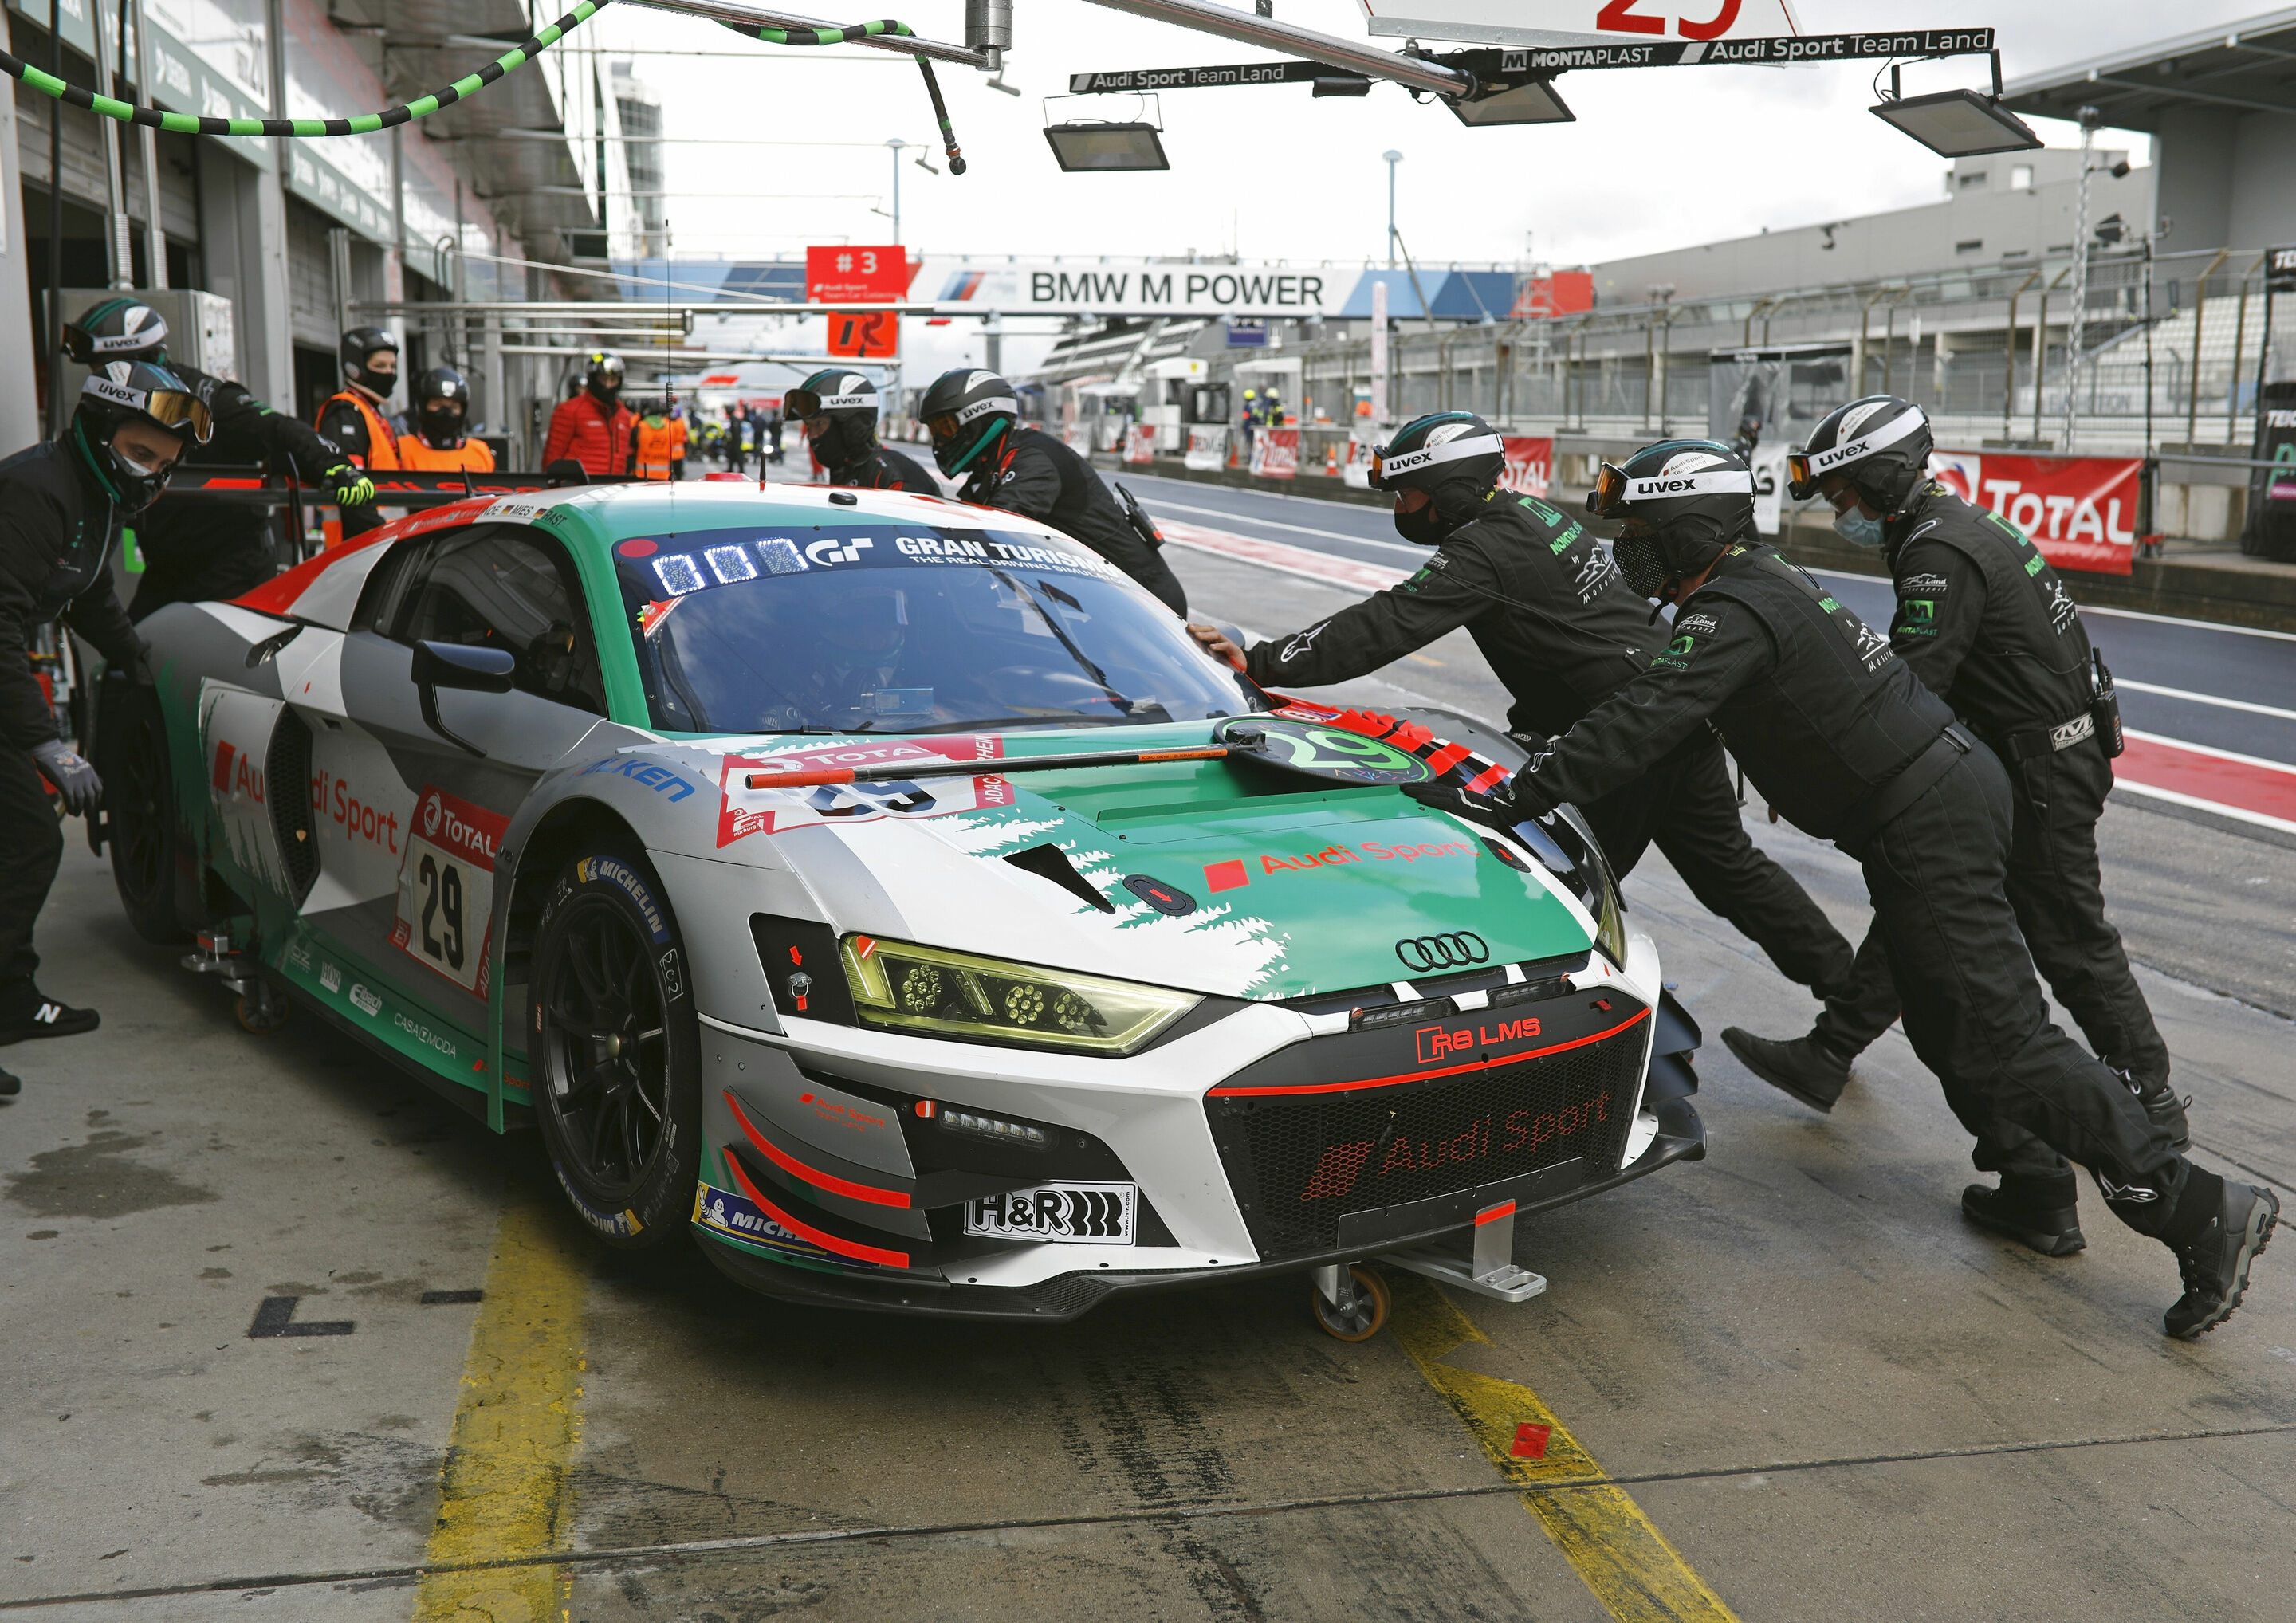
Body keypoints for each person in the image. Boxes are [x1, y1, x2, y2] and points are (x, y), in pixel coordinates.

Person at [1415, 437, 2274, 1340]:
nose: (1624, 542)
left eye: (1638, 525)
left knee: (2008, 1036)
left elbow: (1647, 716)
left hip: (1927, 820)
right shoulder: (1751, 582)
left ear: (1687, 526)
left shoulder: (1732, 610)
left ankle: (2198, 1209)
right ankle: (2034, 1189)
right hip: (1935, 802)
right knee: (1951, 1024)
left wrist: (1521, 790)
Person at [1720, 395, 2184, 1256]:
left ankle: (2151, 1106)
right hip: (2035, 752)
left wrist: (1824, 762)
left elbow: (1910, 686)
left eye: (1850, 493)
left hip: (2041, 763)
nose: (1844, 512)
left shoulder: (1936, 550)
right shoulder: (1953, 525)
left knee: (2067, 939)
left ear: (1885, 478)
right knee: (1921, 909)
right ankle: (1831, 1048)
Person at [1185, 411, 1854, 1002]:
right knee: (1728, 871)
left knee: (1545, 875)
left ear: (1447, 494)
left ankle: (1560, 1018)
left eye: (1410, 493)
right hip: (1673, 711)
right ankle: (1849, 988)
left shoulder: (1484, 547)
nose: (1403, 507)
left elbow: (1386, 625)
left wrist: (1265, 661)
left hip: (1626, 730)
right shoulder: (1531, 513)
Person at [0, 361, 211, 1089]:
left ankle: (9, 998)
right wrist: (43, 741)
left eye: (165, 463)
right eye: (141, 453)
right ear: (96, 430)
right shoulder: (37, 492)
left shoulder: (92, 496)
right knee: (24, 832)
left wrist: (136, 655)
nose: (152, 474)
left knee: (25, 836)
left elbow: (83, 591)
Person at [57, 299, 375, 615]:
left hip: (232, 564)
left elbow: (276, 426)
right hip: (168, 564)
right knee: (133, 655)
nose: (101, 377)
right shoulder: (111, 407)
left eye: (105, 366)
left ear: (141, 357)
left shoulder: (203, 396)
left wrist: (334, 464)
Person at [920, 368, 1187, 615]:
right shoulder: (988, 472)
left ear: (979, 418)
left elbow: (994, 527)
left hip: (1143, 597)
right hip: (1097, 597)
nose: (940, 441)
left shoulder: (1035, 459)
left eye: (947, 428)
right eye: (935, 431)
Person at [315, 326, 405, 540]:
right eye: (380, 366)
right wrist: (382, 535)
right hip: (360, 544)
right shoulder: (345, 413)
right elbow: (352, 487)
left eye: (393, 366)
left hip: (383, 540)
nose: (389, 373)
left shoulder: (370, 413)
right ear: (356, 368)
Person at [788, 369, 937, 495]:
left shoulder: (893, 477)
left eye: (820, 424)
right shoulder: (846, 467)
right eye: (809, 427)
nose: (812, 436)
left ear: (851, 425)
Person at [543, 352, 635, 478]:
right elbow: (552, 458)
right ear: (593, 379)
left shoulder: (624, 416)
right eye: (603, 380)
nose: (608, 385)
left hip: (613, 490)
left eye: (613, 380)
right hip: (576, 492)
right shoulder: (570, 410)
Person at [393, 367, 495, 474]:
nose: (446, 412)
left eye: (454, 407)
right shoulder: (402, 450)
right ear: (423, 408)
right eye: (437, 405)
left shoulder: (480, 453)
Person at [631, 399, 678, 481]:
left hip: (642, 477)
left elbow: (632, 448)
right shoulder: (670, 427)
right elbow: (673, 446)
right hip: (664, 477)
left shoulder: (639, 427)